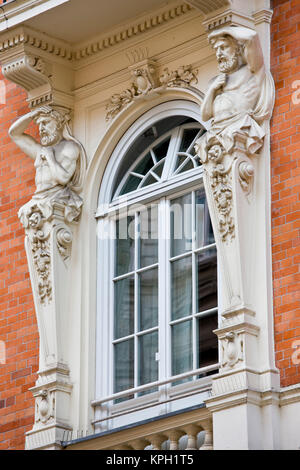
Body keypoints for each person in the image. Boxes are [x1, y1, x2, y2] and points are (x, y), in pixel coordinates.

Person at [196, 26, 274, 161]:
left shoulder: (251, 73)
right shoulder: (215, 83)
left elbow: (251, 37)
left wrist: (223, 31)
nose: (219, 54)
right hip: (217, 132)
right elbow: (205, 115)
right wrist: (212, 90)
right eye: (217, 50)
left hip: (239, 129)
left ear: (237, 49)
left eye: (224, 47)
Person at [9, 105, 87, 225]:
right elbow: (14, 133)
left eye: (45, 123)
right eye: (39, 124)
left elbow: (63, 178)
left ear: (58, 124)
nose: (41, 129)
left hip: (56, 196)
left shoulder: (69, 147)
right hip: (38, 198)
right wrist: (32, 115)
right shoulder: (40, 150)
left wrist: (50, 158)